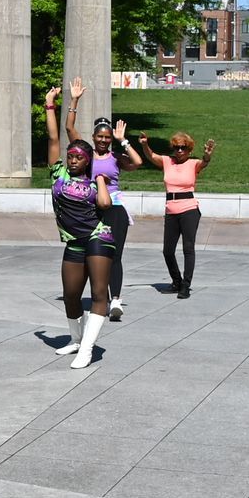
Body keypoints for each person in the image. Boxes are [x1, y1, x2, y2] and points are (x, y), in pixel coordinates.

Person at [43, 86, 117, 369]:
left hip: (98, 236)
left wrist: (99, 180)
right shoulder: (58, 172)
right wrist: (50, 104)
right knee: (71, 295)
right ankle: (76, 339)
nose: (73, 160)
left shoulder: (95, 181)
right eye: (70, 156)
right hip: (73, 241)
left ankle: (87, 348)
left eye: (78, 158)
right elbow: (53, 137)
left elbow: (105, 205)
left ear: (88, 161)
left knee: (99, 294)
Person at [68, 79, 143, 320]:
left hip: (115, 208)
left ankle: (116, 300)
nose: (103, 140)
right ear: (93, 137)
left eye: (107, 137)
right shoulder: (87, 155)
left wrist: (123, 141)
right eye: (100, 136)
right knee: (97, 254)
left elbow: (138, 162)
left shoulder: (116, 157)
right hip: (92, 209)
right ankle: (101, 296)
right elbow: (69, 129)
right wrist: (74, 100)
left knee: (115, 254)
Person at [133, 129, 215, 298]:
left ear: (189, 150)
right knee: (167, 250)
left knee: (188, 248)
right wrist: (145, 145)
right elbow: (151, 156)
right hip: (171, 210)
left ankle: (185, 285)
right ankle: (176, 281)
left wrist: (207, 155)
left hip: (189, 210)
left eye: (183, 147)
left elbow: (204, 162)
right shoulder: (167, 161)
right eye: (176, 147)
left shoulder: (193, 163)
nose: (179, 150)